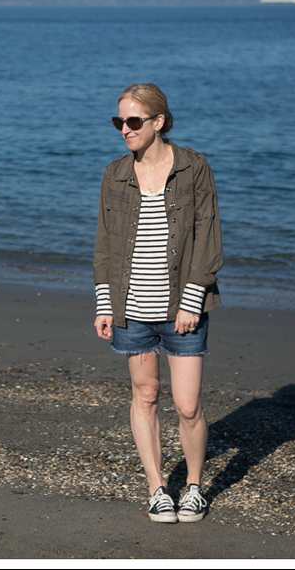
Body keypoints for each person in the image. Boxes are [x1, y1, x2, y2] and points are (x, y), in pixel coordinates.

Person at [93, 83, 222, 523]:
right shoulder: (115, 175)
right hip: (131, 310)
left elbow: (207, 239)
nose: (125, 129)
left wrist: (191, 301)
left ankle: (193, 486)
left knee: (188, 405)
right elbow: (106, 245)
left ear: (158, 122)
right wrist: (104, 304)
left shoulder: (193, 168)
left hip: (182, 309)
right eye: (119, 122)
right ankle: (156, 488)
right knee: (145, 395)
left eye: (133, 121)